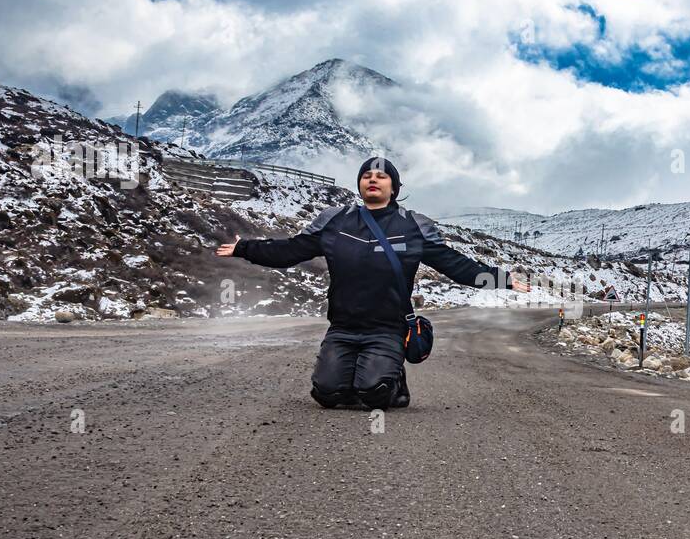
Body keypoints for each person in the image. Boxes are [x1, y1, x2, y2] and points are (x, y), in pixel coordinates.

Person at [216, 156, 529, 409]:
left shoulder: (413, 225)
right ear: (360, 184)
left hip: (387, 328)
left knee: (374, 394)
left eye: (381, 175)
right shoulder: (335, 221)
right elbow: (290, 251)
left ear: (393, 186)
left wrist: (501, 279)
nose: (373, 179)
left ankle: (394, 382)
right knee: (327, 395)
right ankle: (356, 372)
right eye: (367, 174)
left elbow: (454, 265)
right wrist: (246, 248)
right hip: (343, 327)